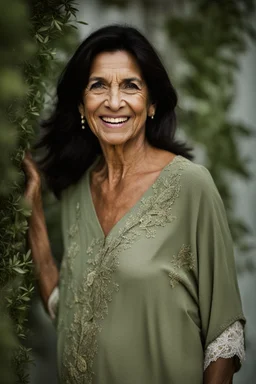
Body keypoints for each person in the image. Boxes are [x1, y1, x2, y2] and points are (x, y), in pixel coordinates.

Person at [22, 24, 246, 384]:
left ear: (152, 102)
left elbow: (224, 336)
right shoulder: (78, 190)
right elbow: (70, 312)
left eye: (131, 85)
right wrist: (32, 207)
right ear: (82, 105)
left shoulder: (191, 185)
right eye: (98, 85)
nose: (113, 101)